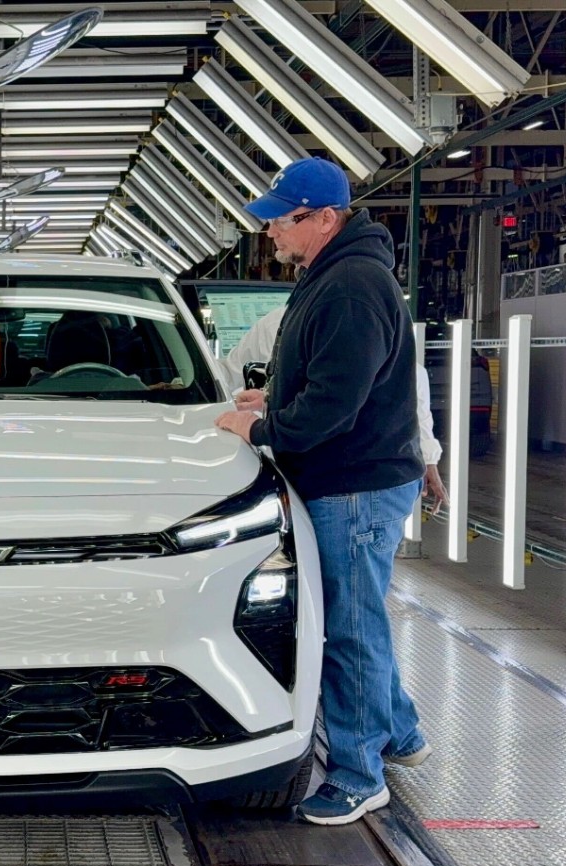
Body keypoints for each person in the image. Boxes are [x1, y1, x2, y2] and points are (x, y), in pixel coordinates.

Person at [214, 157, 428, 826]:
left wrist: (260, 425)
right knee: (358, 617)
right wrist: (274, 394)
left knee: (348, 629)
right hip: (350, 478)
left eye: (284, 218)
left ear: (325, 218)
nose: (272, 229)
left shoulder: (353, 285)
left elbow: (334, 407)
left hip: (354, 487)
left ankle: (360, 775)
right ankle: (400, 733)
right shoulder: (330, 276)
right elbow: (335, 376)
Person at [219, 308, 448, 511]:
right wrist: (271, 399)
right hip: (327, 482)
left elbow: (332, 401)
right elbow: (228, 374)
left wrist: (256, 428)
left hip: (354, 488)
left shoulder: (352, 314)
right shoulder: (281, 322)